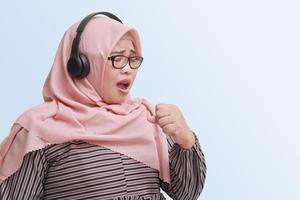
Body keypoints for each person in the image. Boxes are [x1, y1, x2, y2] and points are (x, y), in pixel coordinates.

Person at [0, 12, 206, 200]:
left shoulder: (150, 120)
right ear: (81, 65)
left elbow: (187, 194)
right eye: (117, 58)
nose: (128, 69)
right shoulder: (39, 130)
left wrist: (186, 140)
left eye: (133, 59)